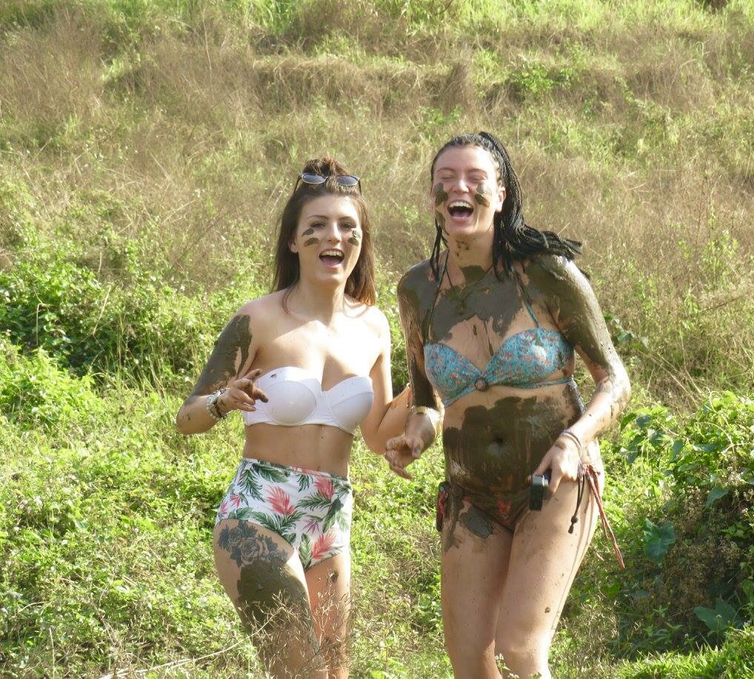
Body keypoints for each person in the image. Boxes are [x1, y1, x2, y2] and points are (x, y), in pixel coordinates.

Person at [386, 132, 630, 678]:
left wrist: (573, 441)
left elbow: (615, 380)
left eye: (475, 178)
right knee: (469, 661)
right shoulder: (418, 293)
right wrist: (415, 436)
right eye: (445, 180)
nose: (458, 188)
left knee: (520, 649)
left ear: (500, 193)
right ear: (433, 200)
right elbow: (427, 401)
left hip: (555, 484)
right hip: (471, 496)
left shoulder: (545, 274)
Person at [175, 158, 410, 678]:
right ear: (293, 241)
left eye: (349, 226)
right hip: (258, 513)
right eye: (318, 226)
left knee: (335, 674)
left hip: (332, 520)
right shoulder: (259, 317)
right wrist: (221, 402)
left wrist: (431, 372)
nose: (335, 237)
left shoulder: (373, 326)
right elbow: (186, 418)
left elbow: (376, 435)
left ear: (362, 240)